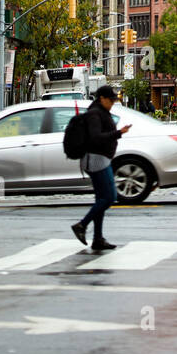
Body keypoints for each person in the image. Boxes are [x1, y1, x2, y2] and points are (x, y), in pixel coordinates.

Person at [71, 85, 132, 252]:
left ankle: (97, 238)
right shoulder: (94, 114)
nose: (113, 103)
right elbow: (95, 138)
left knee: (101, 199)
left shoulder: (100, 112)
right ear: (102, 98)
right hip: (96, 160)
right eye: (111, 100)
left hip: (100, 159)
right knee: (110, 197)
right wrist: (119, 133)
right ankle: (82, 225)